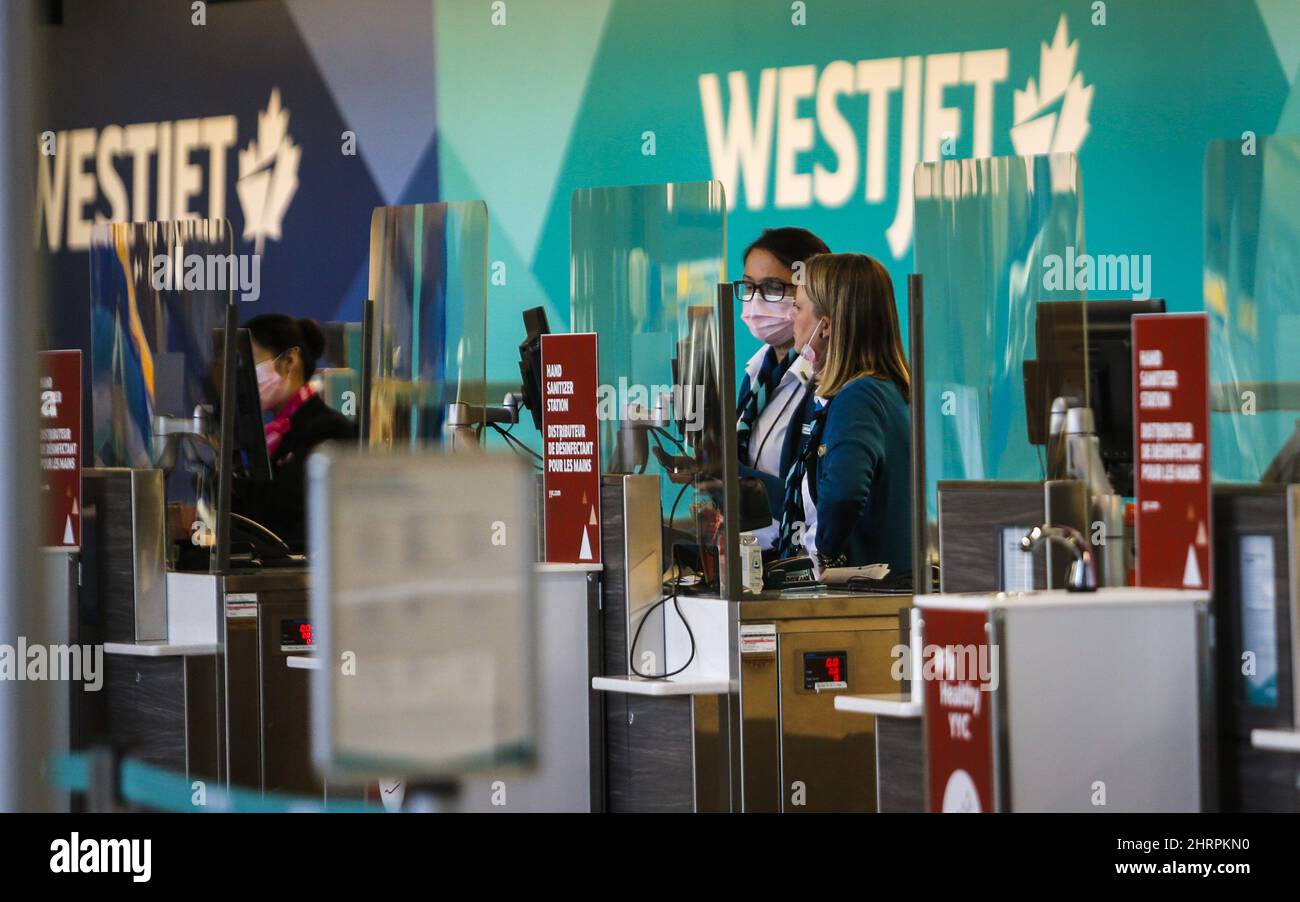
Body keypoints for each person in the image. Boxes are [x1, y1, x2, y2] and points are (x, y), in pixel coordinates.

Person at [776, 253, 912, 576]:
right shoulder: (869, 391)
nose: (790, 316)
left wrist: (824, 558)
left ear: (825, 327)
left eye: (798, 307)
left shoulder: (859, 396)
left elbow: (842, 494)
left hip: (857, 601)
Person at [733, 227, 830, 536]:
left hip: (801, 559)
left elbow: (816, 498)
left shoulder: (828, 377)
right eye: (748, 286)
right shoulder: (757, 374)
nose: (756, 301)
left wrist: (732, 476)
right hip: (752, 555)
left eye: (773, 287)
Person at [233, 314, 356, 551]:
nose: (243, 377)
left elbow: (285, 511)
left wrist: (233, 485)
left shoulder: (327, 429)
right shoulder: (274, 434)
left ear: (289, 360)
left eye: (252, 364)